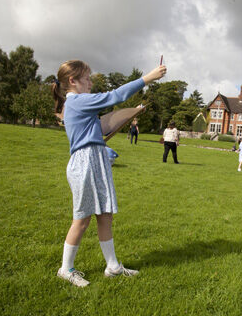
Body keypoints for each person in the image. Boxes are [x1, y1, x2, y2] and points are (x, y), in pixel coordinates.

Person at [52, 59, 166, 287]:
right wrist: (148, 78)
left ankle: (113, 267)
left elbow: (100, 127)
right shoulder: (76, 101)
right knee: (82, 219)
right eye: (87, 78)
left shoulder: (78, 103)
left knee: (105, 216)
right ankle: (65, 269)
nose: (91, 82)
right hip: (85, 163)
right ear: (72, 81)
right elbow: (115, 96)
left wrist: (126, 116)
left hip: (95, 160)